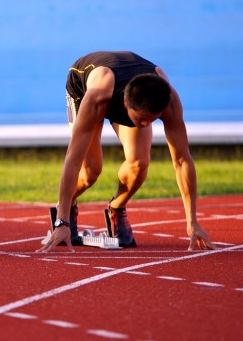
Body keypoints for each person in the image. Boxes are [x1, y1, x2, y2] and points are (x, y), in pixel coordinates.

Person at [39, 51, 214, 252]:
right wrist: (62, 222)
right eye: (141, 119)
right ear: (125, 104)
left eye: (152, 119)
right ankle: (67, 205)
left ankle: (117, 208)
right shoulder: (97, 98)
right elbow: (72, 159)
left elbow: (182, 160)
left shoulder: (169, 100)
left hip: (130, 89)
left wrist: (192, 222)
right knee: (90, 172)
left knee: (139, 163)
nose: (146, 124)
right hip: (85, 86)